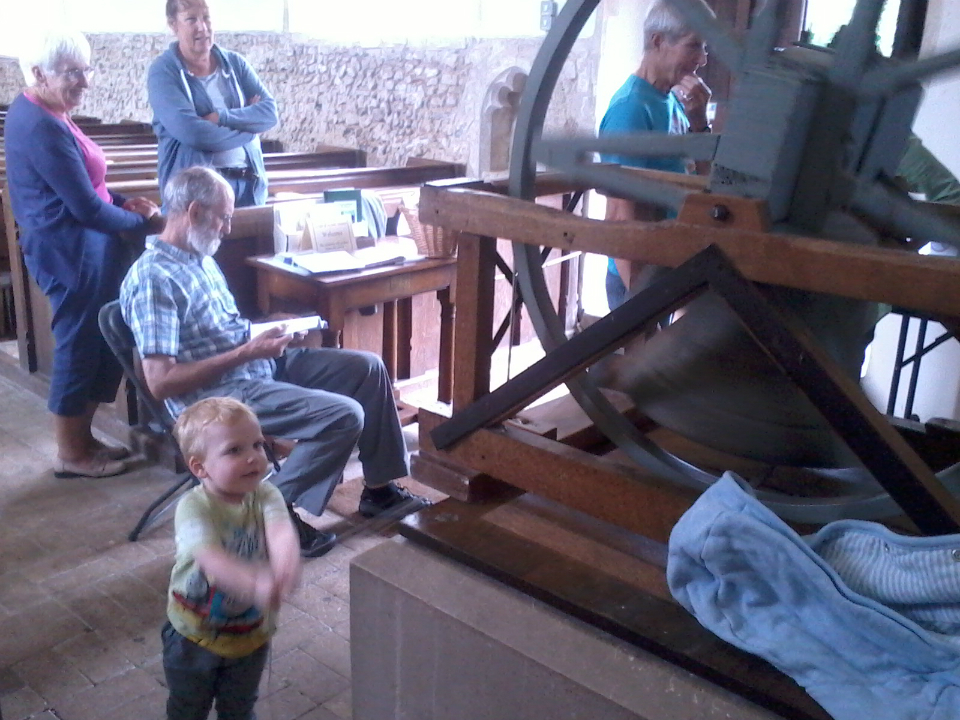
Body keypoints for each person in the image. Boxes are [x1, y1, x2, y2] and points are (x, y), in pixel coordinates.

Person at [119, 166, 427, 557]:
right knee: (343, 415)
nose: (227, 228)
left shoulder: (197, 256)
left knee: (367, 368)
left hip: (251, 367)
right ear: (194, 212)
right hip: (215, 399)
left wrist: (265, 329)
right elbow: (161, 382)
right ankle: (262, 516)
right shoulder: (153, 279)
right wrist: (247, 352)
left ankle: (380, 490)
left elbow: (217, 332)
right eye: (223, 217)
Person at [4, 29, 162, 479]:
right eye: (74, 72)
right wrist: (148, 221)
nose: (86, 82)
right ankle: (71, 454)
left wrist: (124, 201)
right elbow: (86, 208)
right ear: (38, 73)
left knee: (97, 342)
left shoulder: (50, 109)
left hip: (84, 246)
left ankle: (84, 438)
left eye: (86, 69)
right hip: (69, 251)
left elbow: (90, 188)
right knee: (79, 345)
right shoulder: (38, 123)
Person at [163, 396, 300, 720]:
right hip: (193, 635)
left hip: (251, 634)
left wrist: (285, 567)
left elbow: (281, 533)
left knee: (240, 708)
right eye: (234, 450)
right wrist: (255, 584)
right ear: (200, 467)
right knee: (188, 709)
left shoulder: (266, 494)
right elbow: (211, 558)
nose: (254, 457)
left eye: (257, 445)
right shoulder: (194, 508)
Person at [598, 0, 713, 309]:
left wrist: (700, 123)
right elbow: (622, 215)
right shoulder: (631, 110)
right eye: (694, 47)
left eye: (705, 49)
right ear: (658, 41)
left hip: (665, 267)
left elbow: (707, 183)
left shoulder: (673, 101)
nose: (702, 60)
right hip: (638, 280)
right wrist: (641, 303)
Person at [148, 0, 278, 207]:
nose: (202, 27)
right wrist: (250, 129)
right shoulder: (164, 72)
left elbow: (270, 113)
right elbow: (195, 133)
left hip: (249, 185)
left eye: (206, 17)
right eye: (191, 19)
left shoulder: (235, 64)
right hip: (197, 195)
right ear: (173, 25)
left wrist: (221, 118)